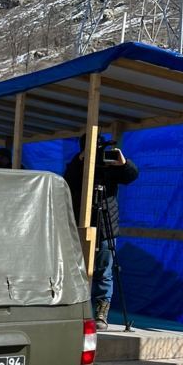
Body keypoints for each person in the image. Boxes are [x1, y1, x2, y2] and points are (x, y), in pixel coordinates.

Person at [63, 133, 139, 330]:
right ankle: (76, 310)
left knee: (104, 271)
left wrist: (124, 163)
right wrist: (80, 160)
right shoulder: (77, 166)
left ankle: (100, 313)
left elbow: (131, 176)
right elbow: (67, 181)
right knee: (76, 269)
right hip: (81, 223)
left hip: (106, 226)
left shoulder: (109, 166)